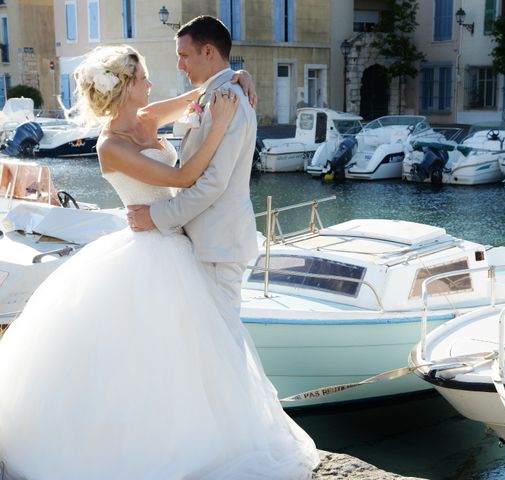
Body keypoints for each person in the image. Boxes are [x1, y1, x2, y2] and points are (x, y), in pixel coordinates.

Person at [0, 43, 319, 479]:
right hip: (148, 252)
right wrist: (219, 125)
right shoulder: (110, 145)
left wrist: (237, 78)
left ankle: (197, 440)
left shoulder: (149, 118)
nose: (152, 83)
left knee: (189, 358)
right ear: (127, 86)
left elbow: (199, 94)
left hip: (178, 246)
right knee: (140, 359)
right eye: (144, 78)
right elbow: (184, 178)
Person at [127, 16, 257, 345]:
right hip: (200, 243)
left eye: (184, 55)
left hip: (219, 245)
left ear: (209, 51)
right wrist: (238, 75)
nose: (180, 64)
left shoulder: (230, 101)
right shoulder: (213, 94)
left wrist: (155, 217)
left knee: (222, 344)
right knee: (200, 344)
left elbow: (213, 183)